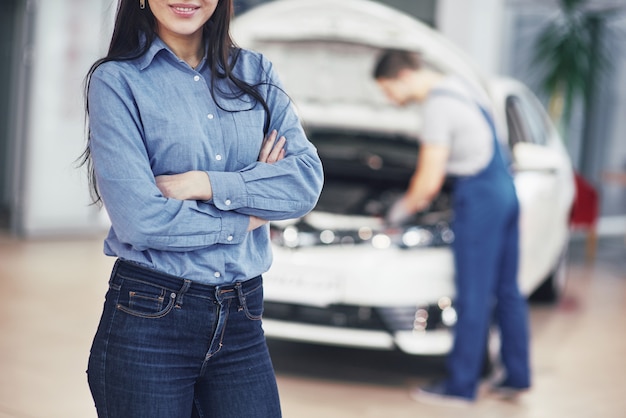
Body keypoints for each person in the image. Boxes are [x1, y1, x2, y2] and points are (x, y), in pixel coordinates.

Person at [80, 1, 323, 417]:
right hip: (149, 319)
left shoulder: (256, 72)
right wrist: (249, 210)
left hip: (243, 318)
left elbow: (303, 183)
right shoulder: (117, 81)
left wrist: (204, 184)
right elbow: (141, 220)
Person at [372, 49, 530, 405]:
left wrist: (394, 215)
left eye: (386, 90)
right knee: (507, 289)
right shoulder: (463, 87)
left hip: (479, 197)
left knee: (473, 292)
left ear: (403, 77)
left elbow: (428, 183)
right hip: (504, 189)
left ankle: (461, 385)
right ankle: (516, 376)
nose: (389, 100)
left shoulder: (437, 107)